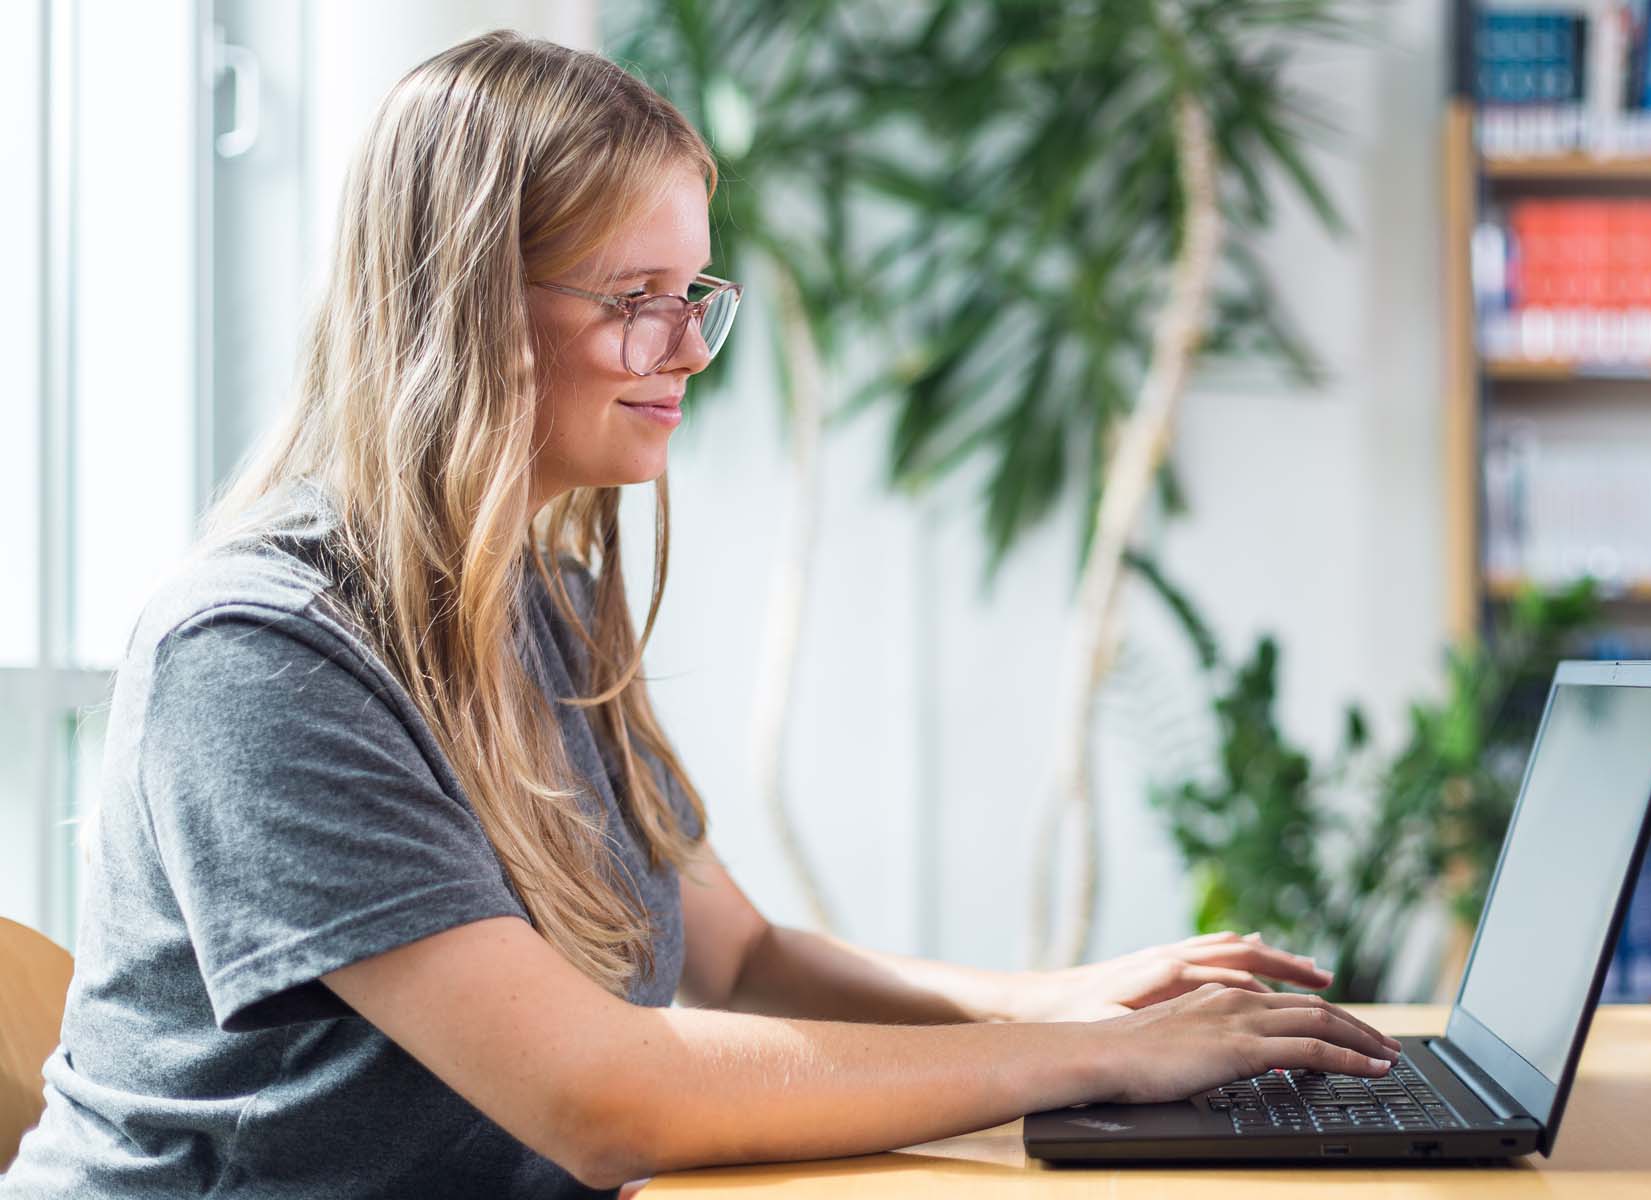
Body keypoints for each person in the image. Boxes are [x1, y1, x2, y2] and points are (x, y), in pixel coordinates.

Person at [0, 30, 1398, 1199]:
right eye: (636, 301)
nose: (686, 352)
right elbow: (601, 1099)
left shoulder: (543, 598)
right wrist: (1089, 1063)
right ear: (463, 307)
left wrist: (1079, 999)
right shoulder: (260, 657)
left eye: (695, 297)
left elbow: (738, 954)